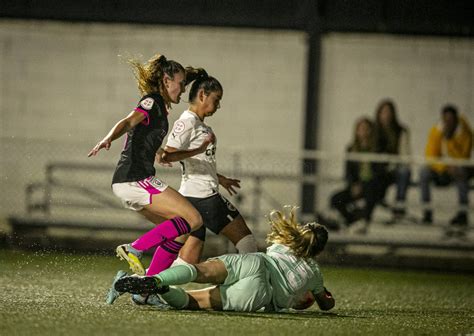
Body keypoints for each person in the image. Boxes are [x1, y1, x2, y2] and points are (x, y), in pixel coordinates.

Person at [88, 53, 208, 278]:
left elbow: (144, 138)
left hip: (134, 181)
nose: (182, 91)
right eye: (180, 85)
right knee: (195, 219)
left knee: (180, 230)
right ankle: (134, 248)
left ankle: (147, 288)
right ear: (166, 80)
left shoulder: (161, 108)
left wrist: (160, 153)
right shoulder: (151, 101)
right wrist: (108, 139)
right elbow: (128, 121)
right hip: (134, 179)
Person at [114, 206, 335, 313]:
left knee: (198, 271)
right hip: (261, 295)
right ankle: (161, 291)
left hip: (255, 263)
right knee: (194, 301)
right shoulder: (314, 273)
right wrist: (320, 295)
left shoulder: (282, 245)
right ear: (318, 250)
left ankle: (155, 281)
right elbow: (326, 305)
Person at [157, 70, 258, 265]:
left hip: (193, 197)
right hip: (204, 198)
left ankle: (145, 284)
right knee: (247, 241)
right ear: (202, 94)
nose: (218, 105)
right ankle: (248, 285)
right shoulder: (187, 122)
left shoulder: (198, 124)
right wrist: (200, 148)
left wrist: (220, 178)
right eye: (216, 99)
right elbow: (167, 154)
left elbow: (195, 160)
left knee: (187, 262)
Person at [330, 117, 390, 234]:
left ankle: (363, 221)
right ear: (356, 131)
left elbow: (380, 172)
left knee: (370, 192)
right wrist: (353, 185)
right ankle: (352, 220)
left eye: (366, 129)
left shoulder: (378, 149)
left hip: (373, 186)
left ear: (371, 131)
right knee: (335, 199)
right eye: (361, 129)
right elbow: (348, 172)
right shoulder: (351, 149)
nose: (364, 132)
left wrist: (362, 185)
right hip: (356, 186)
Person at [419, 104, 472, 231]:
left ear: (456, 120)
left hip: (459, 168)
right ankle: (427, 211)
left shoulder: (465, 133)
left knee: (461, 172)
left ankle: (462, 213)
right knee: (424, 172)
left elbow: (465, 156)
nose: (448, 123)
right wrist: (445, 167)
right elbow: (430, 156)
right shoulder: (436, 132)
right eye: (445, 120)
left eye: (451, 120)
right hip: (442, 170)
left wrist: (450, 140)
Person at [373, 99, 412, 223]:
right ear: (378, 114)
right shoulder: (373, 131)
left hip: (394, 168)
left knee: (404, 171)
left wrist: (393, 163)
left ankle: (399, 207)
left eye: (389, 112)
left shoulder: (401, 131)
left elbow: (405, 155)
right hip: (378, 169)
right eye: (383, 112)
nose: (386, 115)